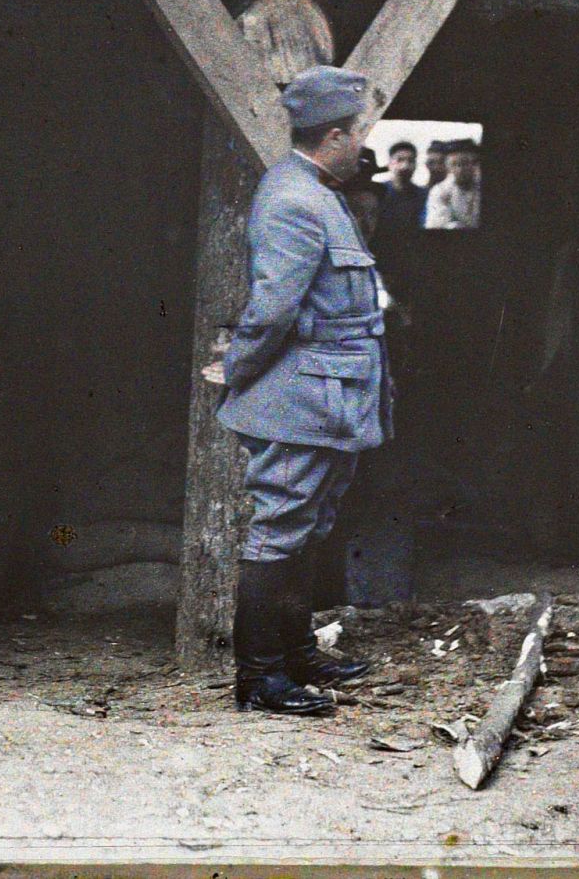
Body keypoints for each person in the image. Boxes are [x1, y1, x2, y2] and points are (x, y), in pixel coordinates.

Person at [204, 66, 387, 715]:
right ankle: (260, 678)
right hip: (301, 401)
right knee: (279, 533)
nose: (364, 143)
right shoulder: (293, 199)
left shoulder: (316, 188)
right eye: (358, 132)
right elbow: (272, 310)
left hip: (329, 400)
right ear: (334, 134)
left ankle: (297, 654)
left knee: (306, 529)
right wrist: (240, 370)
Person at [424, 137, 482, 230]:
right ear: (448, 166)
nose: (460, 170)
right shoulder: (440, 191)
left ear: (474, 163)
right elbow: (436, 226)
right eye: (454, 164)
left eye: (465, 163)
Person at [375, 141, 427, 233]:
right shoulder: (377, 192)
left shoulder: (423, 195)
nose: (405, 166)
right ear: (390, 164)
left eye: (410, 161)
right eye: (399, 160)